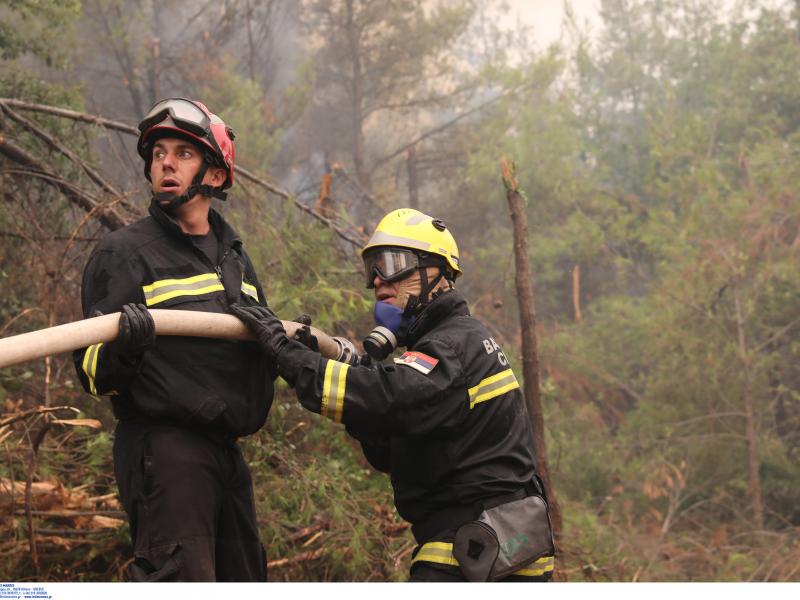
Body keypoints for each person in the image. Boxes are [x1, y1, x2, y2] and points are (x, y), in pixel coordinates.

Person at [231, 208, 555, 582]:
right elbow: (394, 438)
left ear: (437, 273)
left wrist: (291, 357)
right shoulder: (456, 343)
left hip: (471, 553)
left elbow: (390, 398)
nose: (378, 282)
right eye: (372, 268)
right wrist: (349, 377)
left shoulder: (450, 345)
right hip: (499, 548)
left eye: (392, 264)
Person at [73, 98, 275, 582]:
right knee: (180, 580)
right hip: (166, 451)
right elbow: (88, 367)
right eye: (159, 153)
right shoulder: (125, 254)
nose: (166, 161)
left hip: (227, 452)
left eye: (183, 153)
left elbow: (255, 346)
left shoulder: (235, 260)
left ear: (217, 175)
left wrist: (290, 347)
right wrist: (125, 348)